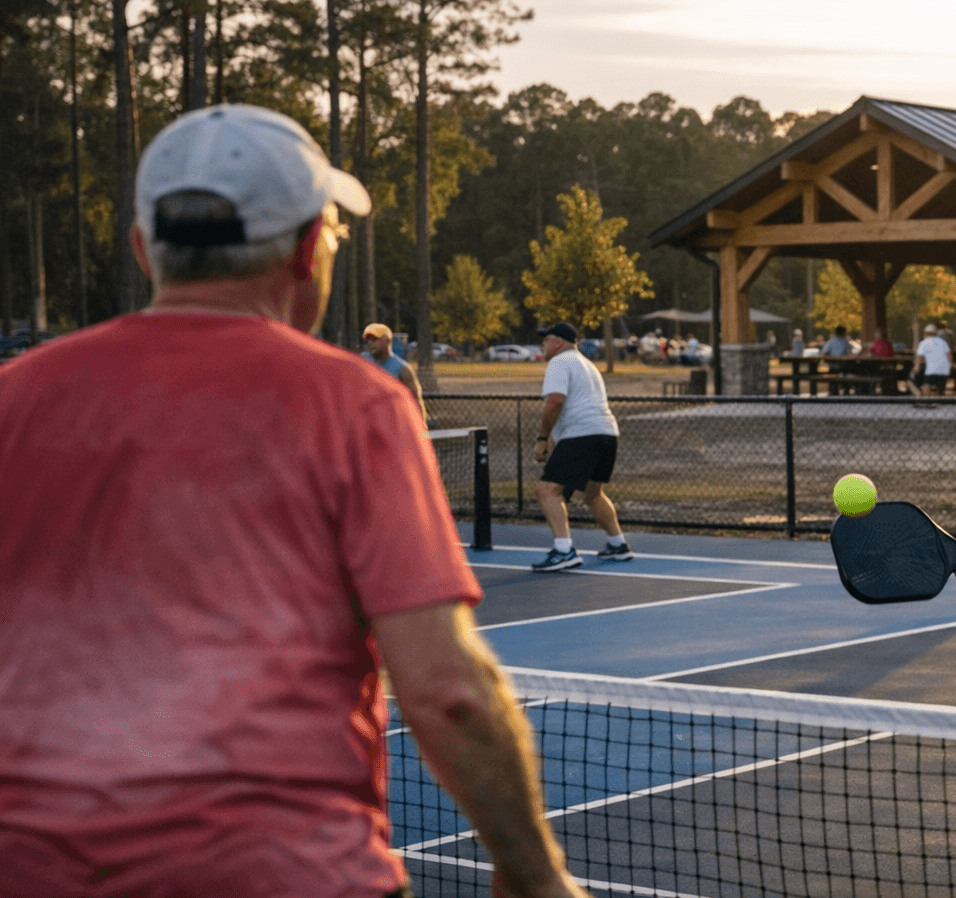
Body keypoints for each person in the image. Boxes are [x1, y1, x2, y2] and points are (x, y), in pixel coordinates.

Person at [0, 104, 589, 898]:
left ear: (145, 249)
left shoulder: (14, 400)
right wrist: (536, 878)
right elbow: (449, 692)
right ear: (313, 247)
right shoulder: (356, 407)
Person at [532, 321, 631, 571]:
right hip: (608, 433)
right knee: (593, 493)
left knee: (547, 490)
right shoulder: (587, 364)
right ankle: (618, 544)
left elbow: (555, 401)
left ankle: (564, 551)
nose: (543, 345)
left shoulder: (559, 362)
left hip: (583, 435)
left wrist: (542, 438)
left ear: (557, 342)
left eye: (546, 340)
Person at [361, 321, 426, 421]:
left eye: (375, 339)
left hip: (392, 424)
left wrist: (422, 428)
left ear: (386, 340)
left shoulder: (401, 368)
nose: (370, 343)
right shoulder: (363, 361)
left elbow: (416, 401)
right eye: (368, 340)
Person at [912, 322, 952, 396]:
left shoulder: (924, 343)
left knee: (927, 385)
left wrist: (916, 367)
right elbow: (949, 355)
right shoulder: (943, 342)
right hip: (944, 369)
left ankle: (927, 401)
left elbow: (919, 357)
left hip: (932, 370)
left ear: (926, 334)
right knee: (941, 388)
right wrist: (951, 365)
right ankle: (941, 401)